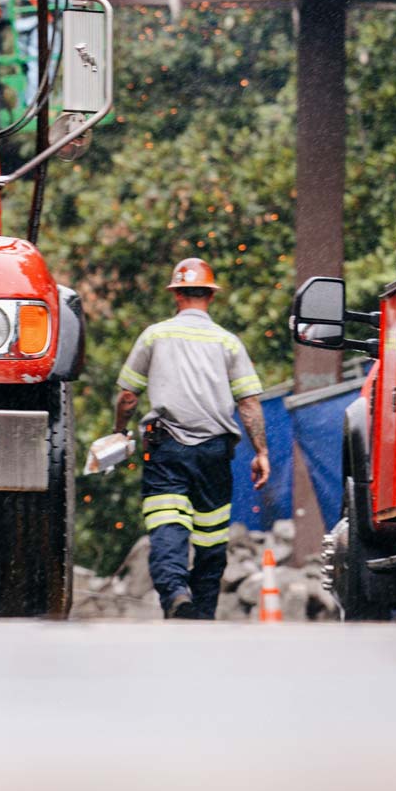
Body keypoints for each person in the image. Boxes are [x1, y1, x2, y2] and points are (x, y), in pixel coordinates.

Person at [112, 257, 269, 620]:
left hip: (166, 447)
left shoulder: (155, 335)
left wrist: (119, 430)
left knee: (168, 524)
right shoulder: (228, 343)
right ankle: (203, 614)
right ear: (210, 297)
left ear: (177, 295)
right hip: (215, 453)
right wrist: (261, 451)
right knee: (212, 539)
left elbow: (128, 396)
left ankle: (176, 594)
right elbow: (249, 403)